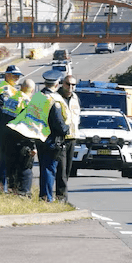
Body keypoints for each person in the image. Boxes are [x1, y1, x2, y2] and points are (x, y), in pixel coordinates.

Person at [31, 72, 69, 201]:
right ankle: (46, 197)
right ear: (57, 84)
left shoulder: (37, 97)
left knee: (44, 168)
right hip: (52, 139)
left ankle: (44, 195)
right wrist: (66, 129)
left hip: (39, 137)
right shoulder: (53, 99)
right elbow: (58, 122)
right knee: (50, 169)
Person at [0, 65, 24, 192]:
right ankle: (2, 188)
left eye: (18, 76)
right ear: (7, 75)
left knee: (7, 159)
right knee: (5, 159)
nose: (16, 78)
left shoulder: (10, 88)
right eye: (14, 75)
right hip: (3, 129)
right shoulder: (5, 89)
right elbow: (4, 112)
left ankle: (6, 187)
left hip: (3, 128)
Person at [3, 79, 36, 196]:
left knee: (11, 168)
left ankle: (12, 191)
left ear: (21, 87)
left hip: (8, 140)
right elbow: (30, 126)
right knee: (25, 169)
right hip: (23, 142)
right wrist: (33, 146)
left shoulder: (10, 100)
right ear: (32, 90)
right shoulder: (28, 103)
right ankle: (24, 193)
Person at [55, 74, 81, 203]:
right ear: (62, 84)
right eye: (68, 84)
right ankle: (61, 197)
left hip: (72, 137)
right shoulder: (56, 97)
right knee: (61, 168)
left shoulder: (76, 98)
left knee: (68, 169)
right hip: (60, 137)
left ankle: (62, 195)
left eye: (73, 85)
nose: (70, 87)